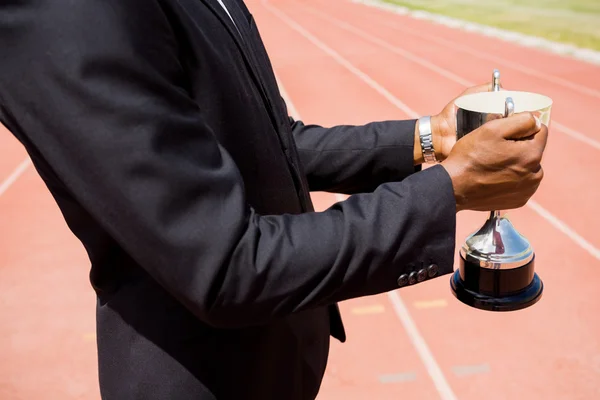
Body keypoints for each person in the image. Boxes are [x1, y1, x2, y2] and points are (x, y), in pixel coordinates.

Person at [0, 0, 547, 399]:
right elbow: (228, 264)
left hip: (271, 361)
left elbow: (266, 140)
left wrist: (430, 137)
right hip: (203, 378)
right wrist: (449, 189)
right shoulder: (69, 14)